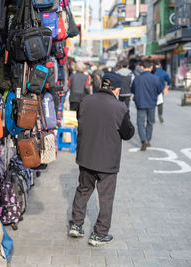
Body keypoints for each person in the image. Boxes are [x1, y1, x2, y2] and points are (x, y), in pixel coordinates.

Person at [68, 73, 135, 247]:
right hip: (107, 162)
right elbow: (128, 134)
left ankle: (76, 225)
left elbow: (79, 119)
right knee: (106, 198)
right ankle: (99, 234)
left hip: (86, 157)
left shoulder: (85, 101)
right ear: (117, 89)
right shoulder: (120, 108)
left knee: (83, 190)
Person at [131, 60, 164, 151]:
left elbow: (133, 90)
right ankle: (148, 140)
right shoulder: (156, 78)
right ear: (151, 67)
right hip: (151, 103)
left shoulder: (137, 78)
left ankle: (143, 140)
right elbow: (159, 90)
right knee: (150, 122)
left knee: (140, 122)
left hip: (140, 103)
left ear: (142, 67)